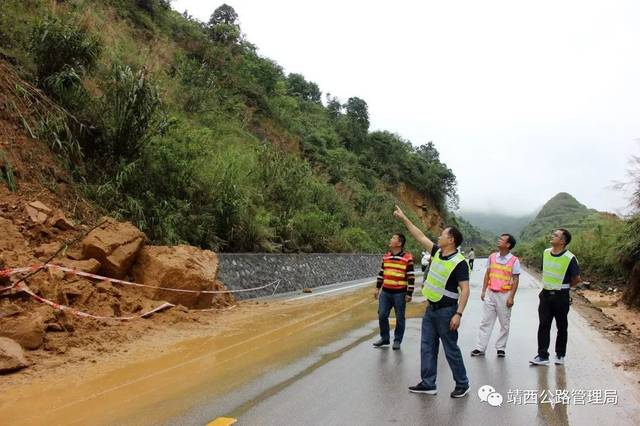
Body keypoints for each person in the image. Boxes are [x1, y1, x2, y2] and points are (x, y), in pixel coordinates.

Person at [393, 205, 471, 398]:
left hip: (447, 312)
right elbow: (420, 236)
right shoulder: (437, 252)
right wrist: (404, 219)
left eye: (443, 234)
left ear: (451, 239)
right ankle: (428, 383)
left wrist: (458, 314)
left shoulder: (459, 262)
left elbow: (465, 289)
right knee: (427, 346)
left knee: (451, 349)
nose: (439, 237)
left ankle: (462, 383)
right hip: (431, 309)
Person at [530, 228, 581, 366]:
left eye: (556, 235)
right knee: (543, 325)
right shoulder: (546, 252)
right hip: (545, 295)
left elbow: (576, 278)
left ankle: (560, 354)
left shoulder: (570, 257)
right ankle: (542, 355)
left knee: (561, 326)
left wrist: (565, 287)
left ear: (563, 241)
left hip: (561, 296)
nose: (552, 236)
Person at [471, 234, 520, 358]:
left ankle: (501, 348)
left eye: (501, 239)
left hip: (504, 295)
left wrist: (511, 297)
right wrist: (483, 291)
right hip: (490, 293)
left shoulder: (514, 260)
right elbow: (487, 274)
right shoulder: (492, 257)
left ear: (508, 245)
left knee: (504, 323)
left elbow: (515, 279)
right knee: (485, 321)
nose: (498, 240)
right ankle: (480, 347)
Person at [373, 233, 415, 350]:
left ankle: (397, 340)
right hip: (385, 292)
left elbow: (410, 277)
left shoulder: (407, 258)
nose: (390, 240)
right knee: (382, 315)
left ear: (399, 243)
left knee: (400, 317)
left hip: (400, 293)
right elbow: (381, 273)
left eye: (393, 238)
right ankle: (385, 338)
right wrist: (377, 288)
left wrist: (409, 293)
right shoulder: (386, 256)